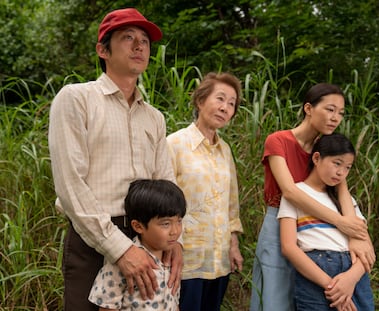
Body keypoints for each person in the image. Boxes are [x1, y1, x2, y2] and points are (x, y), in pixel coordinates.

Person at [48, 8, 182, 311]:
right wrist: (120, 250)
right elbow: (70, 186)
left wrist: (174, 239)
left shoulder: (154, 117)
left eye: (145, 41)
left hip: (149, 236)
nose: (139, 46)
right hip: (92, 239)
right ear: (102, 50)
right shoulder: (76, 99)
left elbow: (166, 184)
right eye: (128, 38)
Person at [249, 83, 376, 311]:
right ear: (309, 108)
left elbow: (342, 190)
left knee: (307, 294)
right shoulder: (278, 141)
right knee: (275, 297)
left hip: (316, 228)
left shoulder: (325, 147)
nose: (335, 117)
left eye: (340, 113)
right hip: (281, 220)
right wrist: (340, 222)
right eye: (329, 109)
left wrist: (354, 234)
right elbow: (289, 191)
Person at [166, 72, 244, 311]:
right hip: (185, 259)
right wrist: (170, 246)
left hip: (219, 260)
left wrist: (233, 245)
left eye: (231, 104)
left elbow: (231, 203)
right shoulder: (175, 144)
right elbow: (164, 204)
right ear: (200, 101)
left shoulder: (225, 150)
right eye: (220, 99)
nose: (225, 108)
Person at [278, 133, 375, 310]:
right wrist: (332, 286)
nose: (341, 173)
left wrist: (350, 280)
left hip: (354, 275)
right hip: (316, 274)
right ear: (316, 158)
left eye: (347, 168)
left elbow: (368, 250)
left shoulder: (346, 201)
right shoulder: (298, 195)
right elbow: (289, 247)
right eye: (337, 163)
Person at [88, 179, 186, 311]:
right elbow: (107, 306)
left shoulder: (172, 261)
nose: (175, 231)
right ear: (138, 226)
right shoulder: (122, 264)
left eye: (179, 221)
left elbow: (174, 301)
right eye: (166, 224)